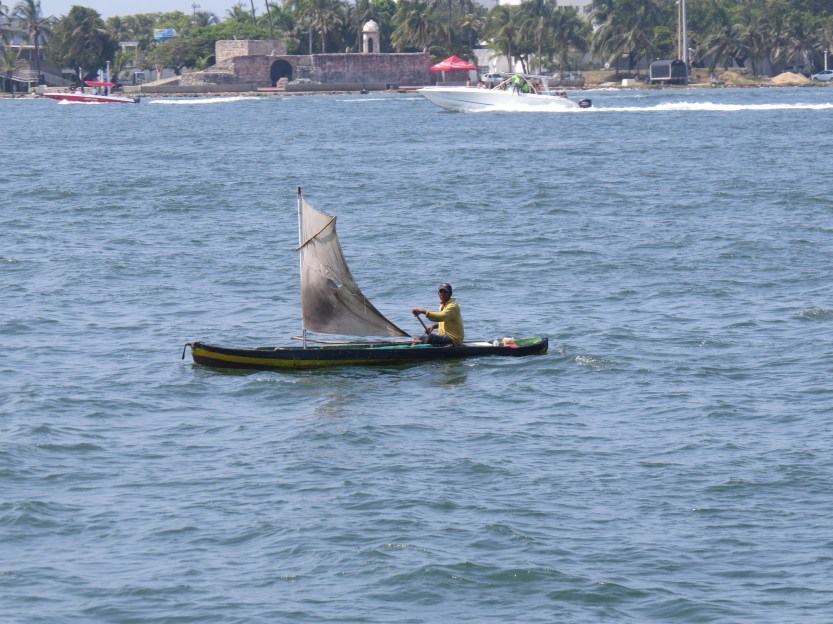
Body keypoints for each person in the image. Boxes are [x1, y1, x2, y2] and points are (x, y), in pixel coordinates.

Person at [411, 282, 464, 347]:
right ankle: (412, 349)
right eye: (441, 292)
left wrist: (422, 311)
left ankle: (423, 349)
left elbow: (441, 317)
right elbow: (445, 321)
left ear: (450, 294)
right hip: (443, 336)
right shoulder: (443, 305)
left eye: (445, 292)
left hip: (454, 339)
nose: (442, 294)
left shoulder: (453, 306)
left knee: (430, 337)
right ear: (438, 293)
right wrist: (434, 326)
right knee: (417, 338)